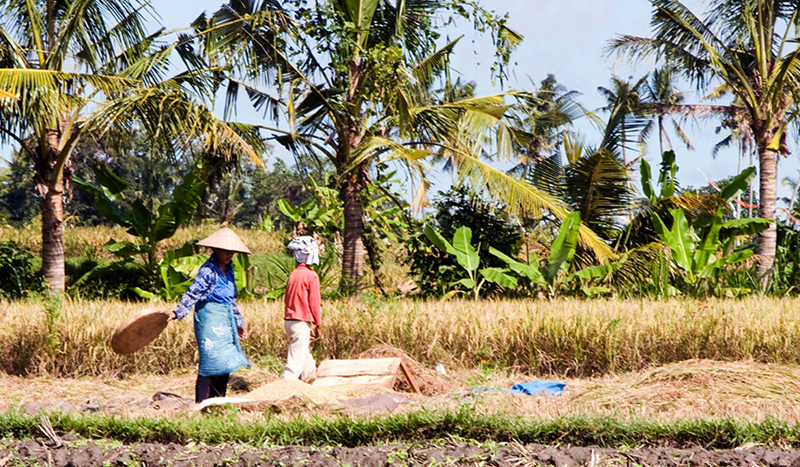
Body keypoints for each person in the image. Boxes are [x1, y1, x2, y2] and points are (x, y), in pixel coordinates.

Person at [168, 227, 252, 403]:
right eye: (225, 251)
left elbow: (231, 300)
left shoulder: (229, 271)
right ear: (215, 250)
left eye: (231, 252)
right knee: (210, 362)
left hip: (225, 321)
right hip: (209, 321)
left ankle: (218, 402)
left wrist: (239, 323)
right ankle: (202, 403)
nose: (228, 255)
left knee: (225, 362)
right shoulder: (208, 271)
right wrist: (178, 312)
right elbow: (192, 293)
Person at [283, 236, 322, 381]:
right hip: (300, 322)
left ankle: (309, 385)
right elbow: (314, 303)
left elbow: (289, 299)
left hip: (290, 321)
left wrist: (307, 325)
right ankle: (284, 389)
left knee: (307, 359)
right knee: (295, 362)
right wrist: (318, 324)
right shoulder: (311, 276)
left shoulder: (293, 274)